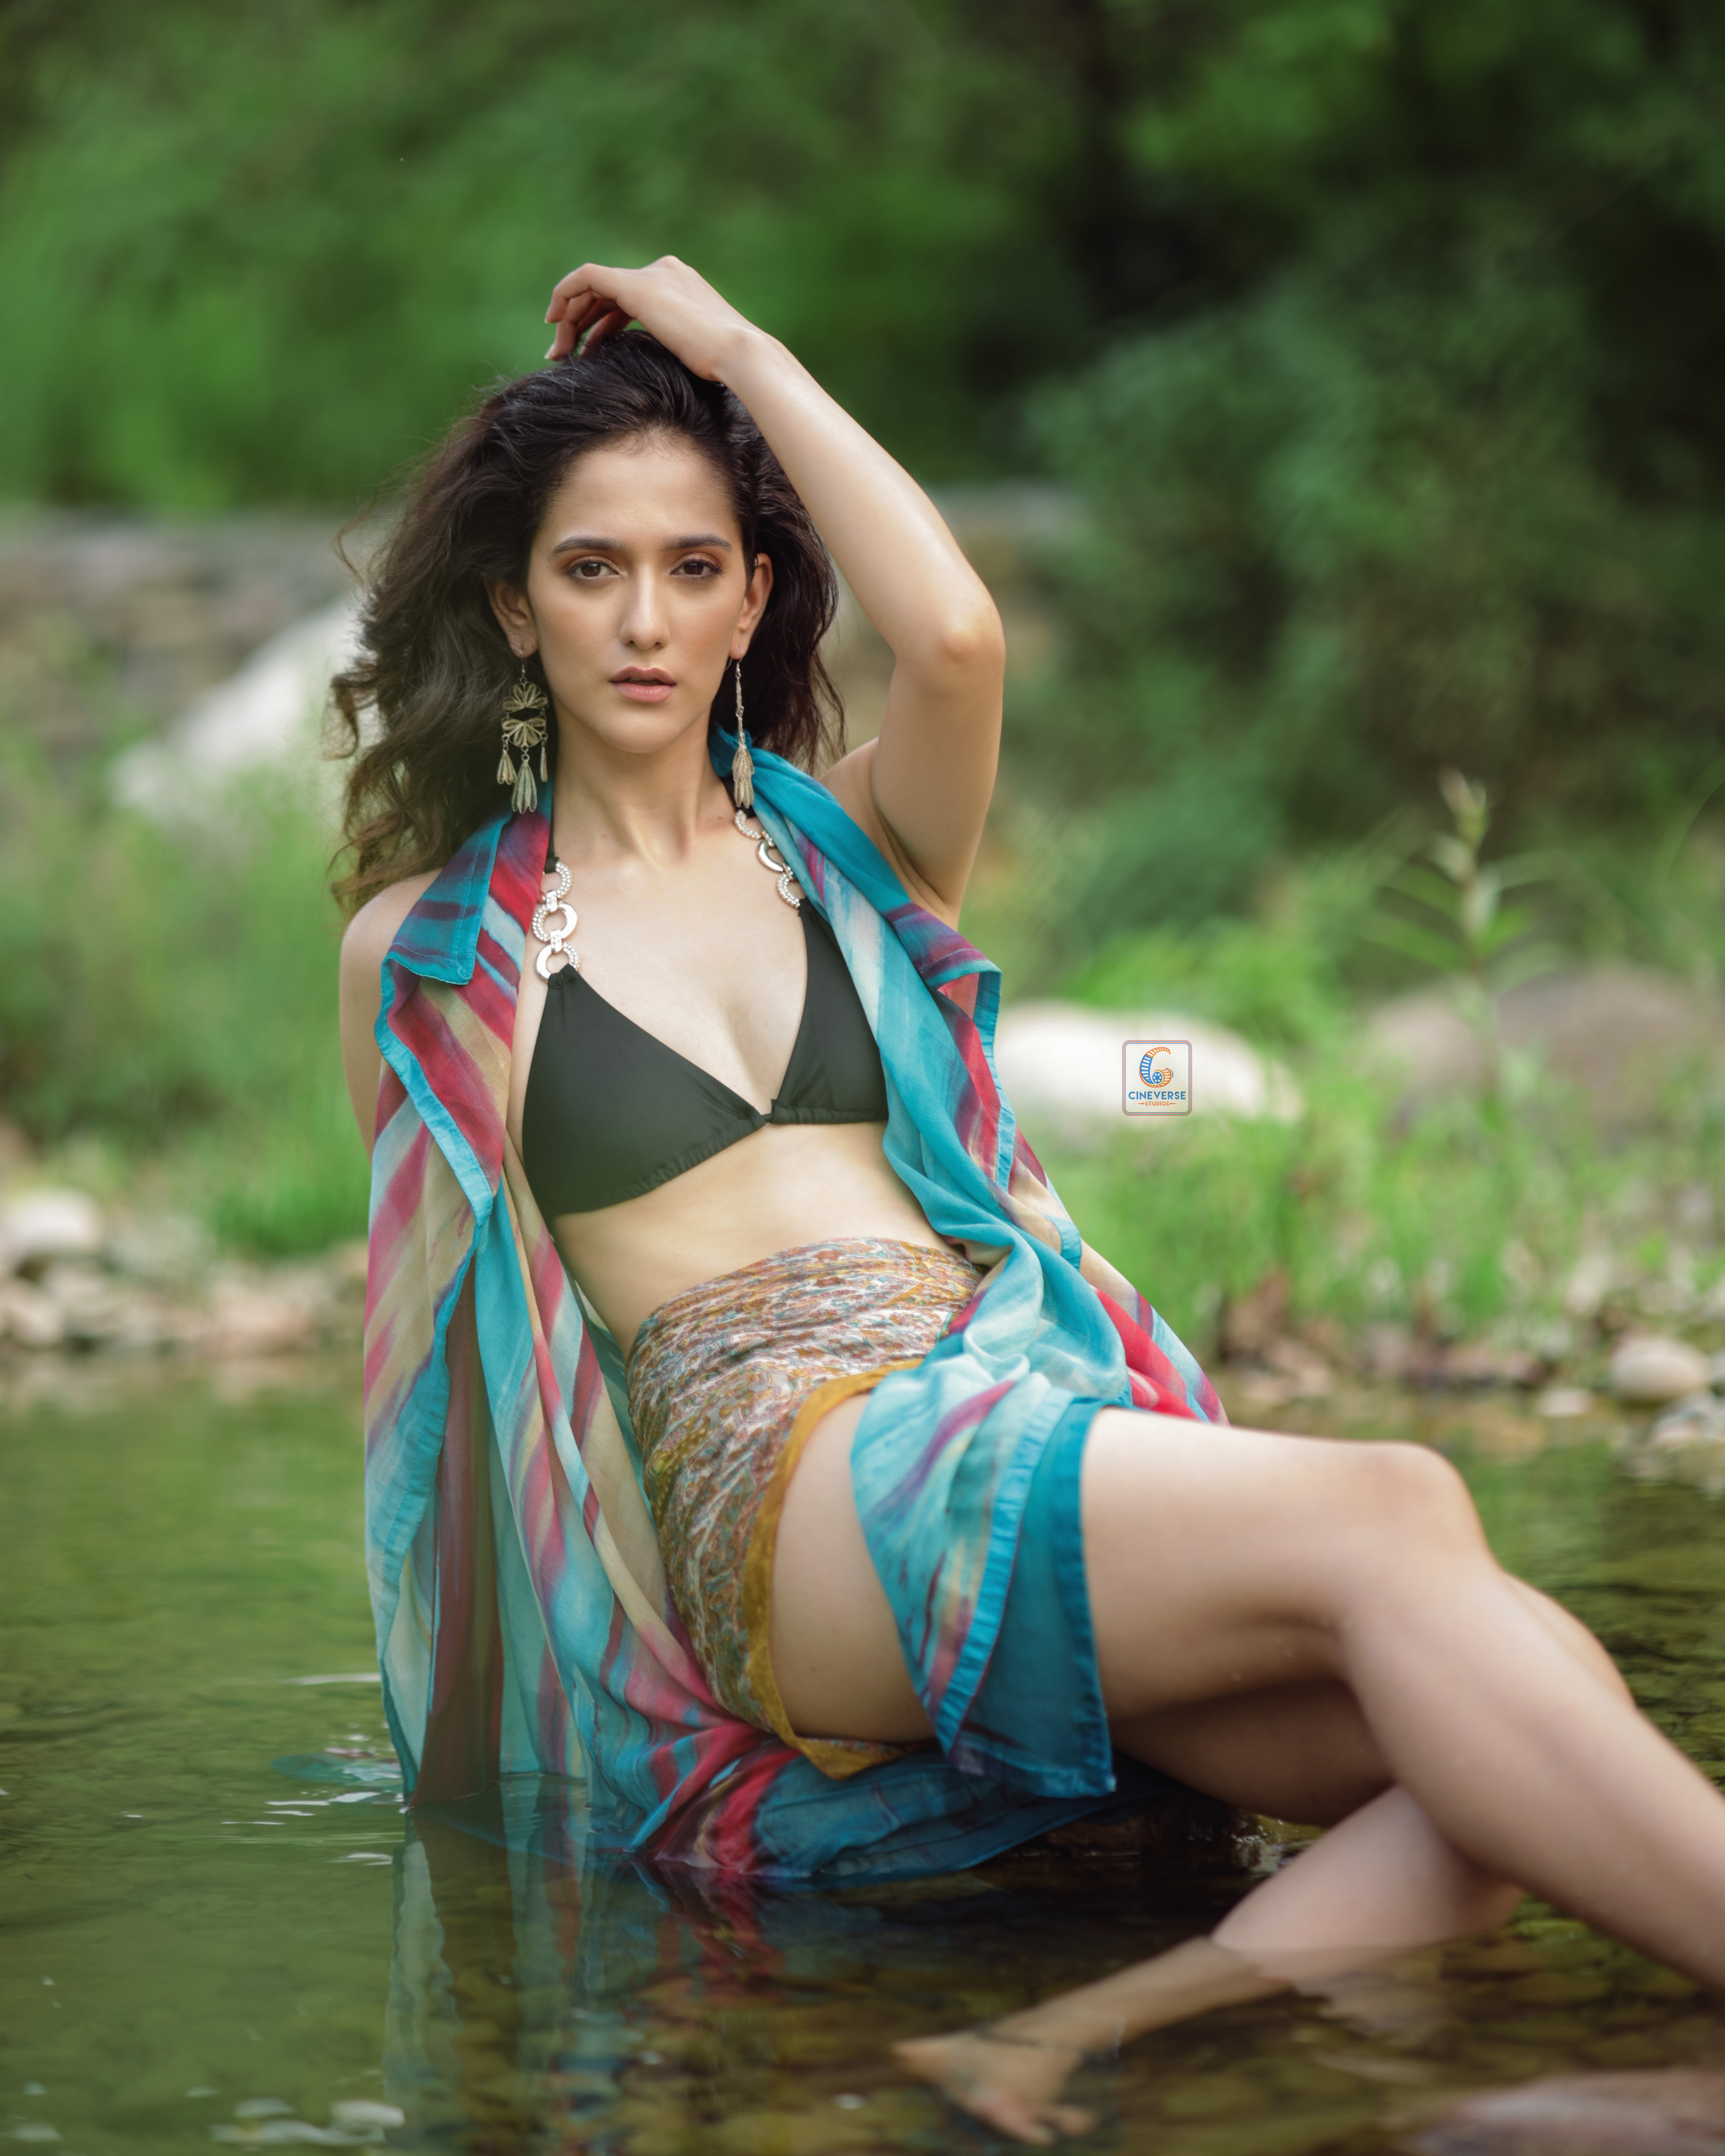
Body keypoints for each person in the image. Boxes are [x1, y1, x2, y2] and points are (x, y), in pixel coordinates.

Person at [335, 260, 1725, 2147]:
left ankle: (1066, 2040)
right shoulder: (435, 954)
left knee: (1502, 1721)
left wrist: (737, 351)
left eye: (692, 565)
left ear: (753, 597)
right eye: (592, 570)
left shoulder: (846, 847)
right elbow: (458, 1374)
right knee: (1406, 1507)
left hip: (1004, 1390)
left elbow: (957, 639)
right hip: (787, 1483)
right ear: (518, 606)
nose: (644, 618)